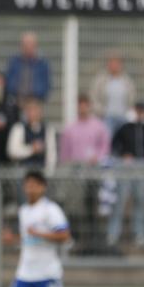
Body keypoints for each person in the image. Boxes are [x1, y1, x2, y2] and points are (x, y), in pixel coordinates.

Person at [59, 95, 111, 254]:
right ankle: (76, 238)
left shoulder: (98, 126)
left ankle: (92, 239)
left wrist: (98, 157)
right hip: (75, 173)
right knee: (75, 206)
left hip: (92, 172)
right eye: (80, 105)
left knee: (91, 205)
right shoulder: (70, 128)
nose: (82, 108)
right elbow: (64, 153)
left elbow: (105, 146)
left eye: (85, 105)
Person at [107, 102, 144, 247]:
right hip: (126, 169)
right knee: (120, 201)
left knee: (140, 201)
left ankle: (139, 233)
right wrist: (123, 155)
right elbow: (114, 145)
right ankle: (113, 233)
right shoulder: (125, 128)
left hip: (140, 169)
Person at [90, 54, 135, 137]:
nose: (114, 66)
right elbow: (94, 97)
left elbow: (131, 97)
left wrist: (128, 111)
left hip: (122, 117)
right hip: (106, 117)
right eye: (112, 63)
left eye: (117, 63)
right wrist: (100, 111)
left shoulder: (126, 81)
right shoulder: (101, 80)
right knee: (107, 140)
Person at [6, 98, 56, 173]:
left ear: (40, 111)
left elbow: (51, 155)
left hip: (41, 173)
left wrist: (49, 173)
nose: (33, 113)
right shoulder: (18, 128)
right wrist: (32, 149)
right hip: (22, 173)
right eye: (29, 110)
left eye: (35, 109)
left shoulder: (48, 130)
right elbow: (12, 151)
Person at [5, 32, 50, 104]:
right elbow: (9, 81)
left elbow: (46, 84)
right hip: (17, 100)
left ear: (36, 45)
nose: (28, 47)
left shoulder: (42, 63)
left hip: (36, 100)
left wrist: (38, 96)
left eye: (31, 44)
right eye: (25, 44)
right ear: (21, 46)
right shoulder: (14, 62)